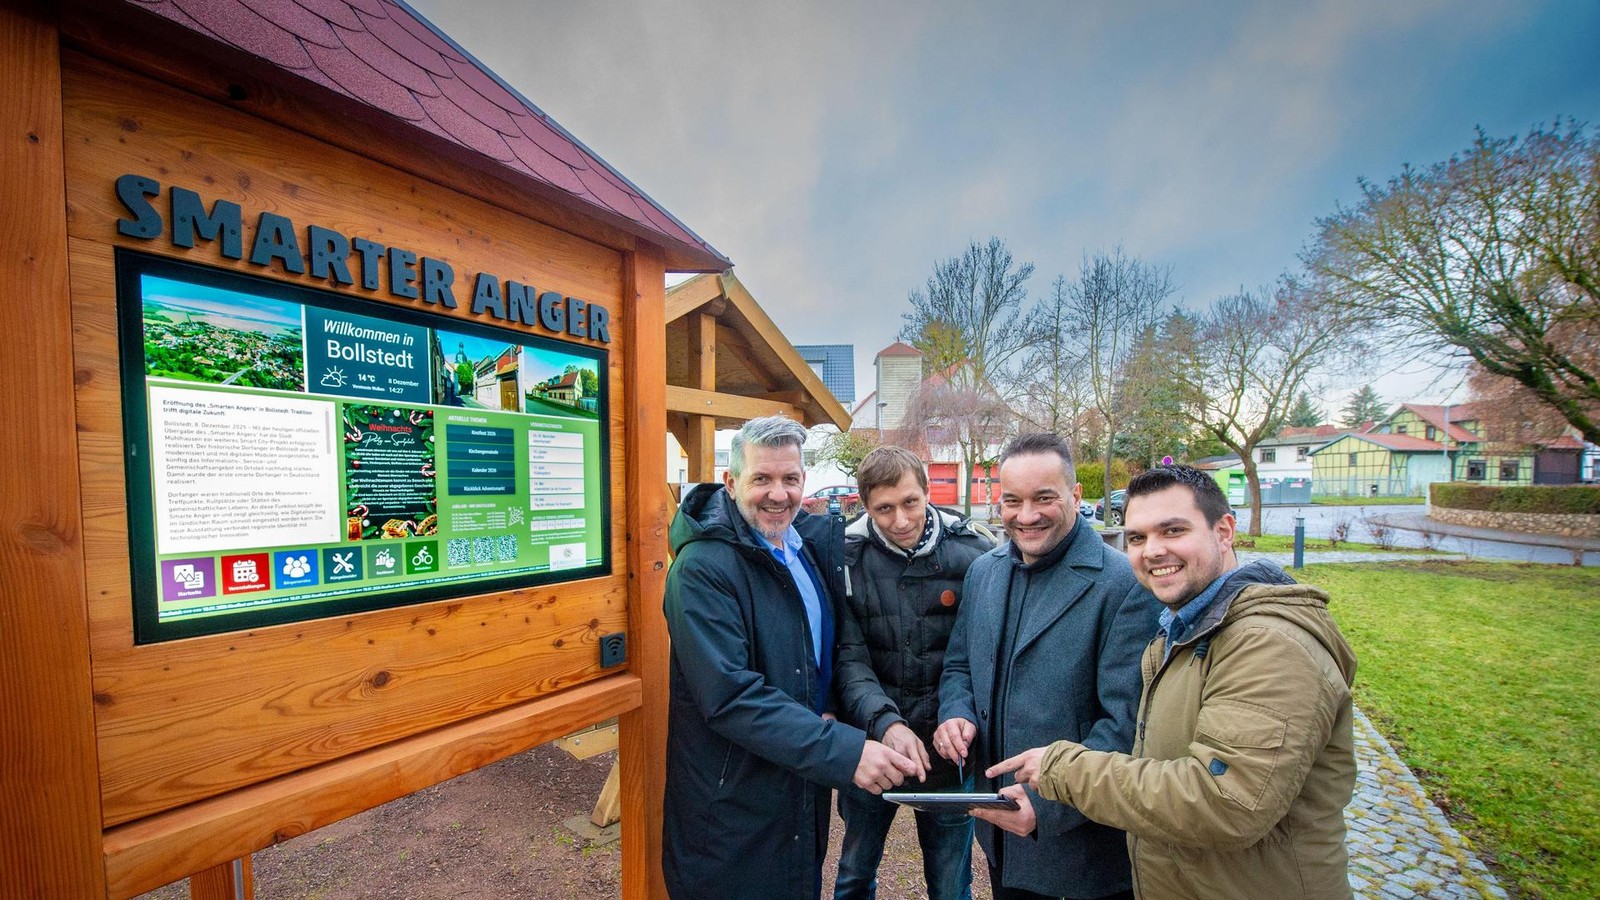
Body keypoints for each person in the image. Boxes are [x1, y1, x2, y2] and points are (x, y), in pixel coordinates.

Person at [988, 464, 1358, 900]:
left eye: (1173, 530)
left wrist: (1063, 769)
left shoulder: (1269, 645)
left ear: (1224, 532)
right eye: (1137, 538)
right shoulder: (1184, 632)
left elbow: (1226, 801)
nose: (1153, 551)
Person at [661, 415, 921, 900]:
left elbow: (825, 654)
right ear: (731, 482)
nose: (778, 494)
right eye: (762, 478)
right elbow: (730, 696)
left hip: (798, 788)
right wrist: (845, 751)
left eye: (790, 478)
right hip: (731, 806)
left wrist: (854, 715)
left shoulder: (805, 549)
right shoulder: (701, 569)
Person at [934, 432, 1159, 900]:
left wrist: (1047, 803)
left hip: (1081, 853)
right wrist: (956, 712)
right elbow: (959, 666)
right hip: (1001, 839)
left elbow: (1129, 725)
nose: (1026, 515)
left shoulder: (1124, 585)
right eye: (1012, 501)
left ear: (1076, 495)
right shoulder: (984, 571)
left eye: (1044, 498)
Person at [833, 446, 997, 900]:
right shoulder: (845, 558)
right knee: (854, 873)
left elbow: (979, 653)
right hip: (871, 744)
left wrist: (960, 714)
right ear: (865, 506)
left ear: (927, 492)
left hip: (951, 750)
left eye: (910, 502)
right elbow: (849, 657)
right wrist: (885, 723)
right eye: (884, 509)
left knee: (951, 883)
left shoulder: (975, 552)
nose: (901, 520)